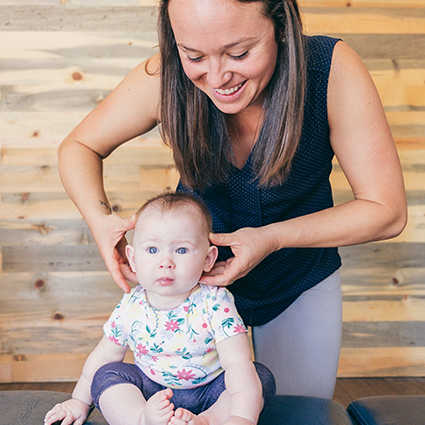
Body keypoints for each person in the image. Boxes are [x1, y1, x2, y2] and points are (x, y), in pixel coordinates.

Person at [56, 0, 407, 399]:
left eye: (239, 53)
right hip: (193, 289)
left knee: (296, 414)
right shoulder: (164, 75)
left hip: (299, 276)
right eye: (194, 56)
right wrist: (101, 222)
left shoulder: (330, 69)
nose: (218, 76)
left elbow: (387, 212)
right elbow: (78, 146)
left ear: (280, 26)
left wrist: (271, 238)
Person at [44, 192, 276, 425]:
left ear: (208, 259)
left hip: (210, 392)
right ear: (133, 259)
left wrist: (242, 417)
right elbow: (103, 356)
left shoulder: (216, 303)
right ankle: (142, 419)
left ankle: (207, 421)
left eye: (181, 250)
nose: (166, 261)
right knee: (106, 374)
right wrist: (78, 401)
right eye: (153, 250)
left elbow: (236, 363)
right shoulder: (131, 305)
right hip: (150, 392)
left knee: (258, 377)